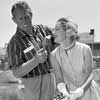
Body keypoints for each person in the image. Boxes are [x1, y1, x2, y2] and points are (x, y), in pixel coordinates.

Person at [7, 1, 56, 100]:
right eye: (21, 18)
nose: (25, 21)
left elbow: (60, 35)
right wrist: (36, 60)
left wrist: (51, 38)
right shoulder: (14, 43)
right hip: (31, 91)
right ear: (14, 20)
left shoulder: (44, 29)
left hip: (51, 83)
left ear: (31, 15)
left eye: (27, 17)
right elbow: (16, 72)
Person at [50, 17, 99, 100]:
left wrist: (80, 91)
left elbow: (89, 74)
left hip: (89, 93)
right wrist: (64, 92)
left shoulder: (85, 49)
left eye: (57, 29)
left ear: (68, 32)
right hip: (70, 94)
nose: (53, 32)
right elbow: (59, 78)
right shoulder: (54, 55)